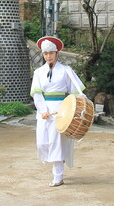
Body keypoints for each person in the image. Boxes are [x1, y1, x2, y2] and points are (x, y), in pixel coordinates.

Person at [30, 36, 85, 187]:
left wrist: (74, 109)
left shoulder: (66, 71)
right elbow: (37, 93)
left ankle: (58, 176)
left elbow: (76, 92)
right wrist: (42, 110)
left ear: (57, 53)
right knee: (42, 143)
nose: (48, 56)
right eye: (46, 53)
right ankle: (57, 170)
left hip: (62, 111)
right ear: (43, 55)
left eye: (51, 53)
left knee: (57, 143)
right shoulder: (38, 73)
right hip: (44, 111)